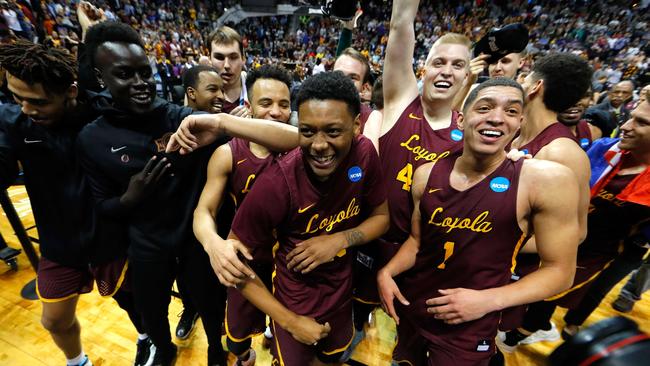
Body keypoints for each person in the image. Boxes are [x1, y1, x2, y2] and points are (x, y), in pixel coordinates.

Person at [76, 21, 300, 366]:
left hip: (196, 244)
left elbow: (293, 137)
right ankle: (162, 350)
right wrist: (130, 197)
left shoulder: (180, 118)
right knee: (153, 314)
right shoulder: (91, 138)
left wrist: (222, 124)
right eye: (125, 75)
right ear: (101, 77)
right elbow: (103, 206)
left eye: (144, 73)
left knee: (212, 310)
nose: (140, 84)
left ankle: (214, 351)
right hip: (148, 246)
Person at [378, 77, 580, 365]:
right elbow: (418, 240)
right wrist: (387, 272)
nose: (497, 118)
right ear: (461, 119)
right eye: (485, 108)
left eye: (511, 112)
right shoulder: (425, 174)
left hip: (471, 325)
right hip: (414, 307)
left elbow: (560, 272)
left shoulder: (546, 180)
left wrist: (487, 301)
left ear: (519, 123)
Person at [0, 39, 152, 366]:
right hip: (59, 243)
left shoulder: (102, 110)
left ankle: (145, 338)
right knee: (54, 319)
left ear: (70, 91)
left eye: (37, 102)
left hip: (111, 235)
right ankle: (77, 362)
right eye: (17, 98)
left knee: (132, 303)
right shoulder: (13, 123)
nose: (26, 109)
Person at [226, 71, 389, 365]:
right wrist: (289, 322)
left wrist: (339, 239)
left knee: (332, 359)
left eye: (333, 131)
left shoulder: (364, 153)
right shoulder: (276, 184)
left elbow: (381, 217)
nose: (319, 145)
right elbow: (233, 262)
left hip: (341, 291)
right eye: (308, 131)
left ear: (356, 126)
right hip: (294, 301)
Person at [501, 99, 650, 347]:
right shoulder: (603, 148)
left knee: (551, 292)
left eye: (642, 122)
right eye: (631, 116)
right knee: (527, 278)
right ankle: (535, 324)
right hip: (554, 232)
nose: (626, 125)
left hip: (596, 250)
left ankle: (528, 329)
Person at [193, 64, 293, 366]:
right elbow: (203, 211)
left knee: (287, 340)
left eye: (284, 104)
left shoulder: (303, 150)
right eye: (266, 103)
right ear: (248, 107)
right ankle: (246, 356)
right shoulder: (229, 153)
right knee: (236, 341)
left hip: (291, 264)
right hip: (247, 262)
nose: (276, 112)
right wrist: (213, 243)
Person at [497, 53, 593, 351]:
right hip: (490, 263)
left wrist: (495, 239)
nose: (520, 82)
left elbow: (576, 233)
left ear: (535, 87)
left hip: (515, 273)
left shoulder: (563, 152)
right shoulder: (514, 135)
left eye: (524, 78)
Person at [208, 26, 249, 117]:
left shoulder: (255, 90)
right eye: (219, 57)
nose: (226, 65)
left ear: (243, 59)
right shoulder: (200, 94)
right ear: (209, 58)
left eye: (233, 57)